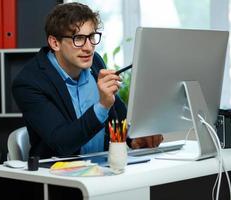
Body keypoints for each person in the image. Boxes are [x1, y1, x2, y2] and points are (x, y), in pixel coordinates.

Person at [12, 2, 163, 159]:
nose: (89, 48)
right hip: (59, 175)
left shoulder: (95, 62)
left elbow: (117, 113)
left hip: (102, 169)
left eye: (91, 37)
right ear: (55, 43)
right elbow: (61, 142)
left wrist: (136, 138)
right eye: (79, 38)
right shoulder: (29, 83)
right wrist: (102, 105)